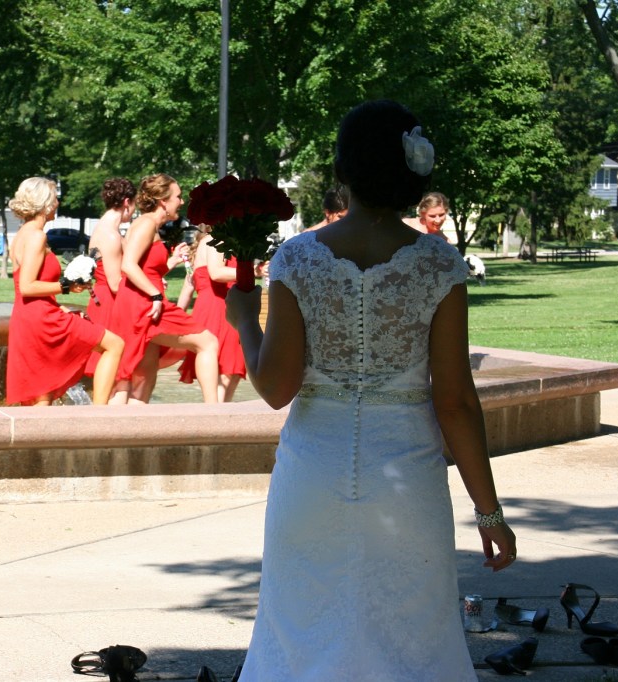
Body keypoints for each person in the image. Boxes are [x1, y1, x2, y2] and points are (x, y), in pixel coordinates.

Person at [225, 100, 516, 680]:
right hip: (405, 476)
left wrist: (243, 324)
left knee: (302, 634)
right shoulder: (439, 264)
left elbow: (276, 388)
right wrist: (489, 513)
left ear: (342, 170)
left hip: (312, 472)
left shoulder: (297, 259)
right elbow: (455, 401)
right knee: (412, 639)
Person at [6, 177, 124, 406]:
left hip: (28, 316)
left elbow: (24, 285)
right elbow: (26, 287)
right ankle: (99, 415)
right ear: (45, 203)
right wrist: (68, 286)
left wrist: (59, 304)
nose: (58, 203)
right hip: (41, 319)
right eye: (54, 198)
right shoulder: (36, 236)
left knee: (43, 395)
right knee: (114, 344)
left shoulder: (22, 235)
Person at [110, 173, 219, 403]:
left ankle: (131, 420)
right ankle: (213, 412)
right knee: (208, 342)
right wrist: (156, 295)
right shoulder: (146, 224)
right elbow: (128, 265)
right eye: (178, 197)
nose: (181, 201)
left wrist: (171, 262)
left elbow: (146, 269)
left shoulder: (149, 225)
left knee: (144, 374)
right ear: (163, 201)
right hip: (145, 305)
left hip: (141, 301)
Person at [84, 177, 136, 403]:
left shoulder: (102, 229)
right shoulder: (111, 235)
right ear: (127, 202)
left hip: (101, 298)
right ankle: (111, 417)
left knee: (113, 371)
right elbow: (116, 283)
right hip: (111, 303)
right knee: (120, 373)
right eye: (134, 205)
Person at [178, 226, 245, 401]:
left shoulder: (206, 242)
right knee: (225, 372)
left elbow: (188, 287)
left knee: (232, 372)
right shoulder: (216, 240)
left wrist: (177, 315)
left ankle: (221, 415)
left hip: (216, 307)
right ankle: (216, 415)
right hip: (217, 308)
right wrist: (252, 272)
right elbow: (216, 273)